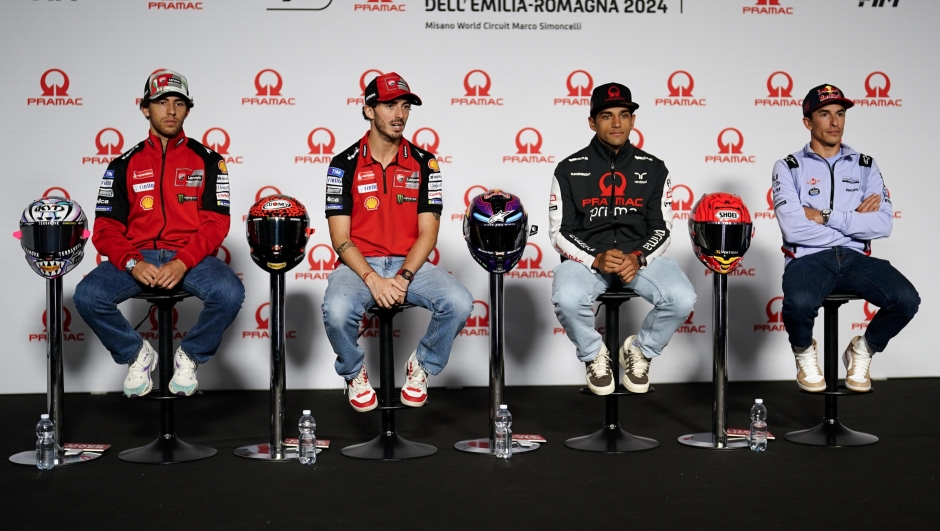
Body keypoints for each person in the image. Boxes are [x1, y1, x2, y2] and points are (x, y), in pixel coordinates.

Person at [75, 70, 244, 398]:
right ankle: (135, 353)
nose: (170, 110)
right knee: (87, 295)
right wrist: (132, 263)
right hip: (139, 257)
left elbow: (215, 223)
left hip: (191, 257)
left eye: (178, 103)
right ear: (145, 108)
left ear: (187, 110)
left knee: (229, 292)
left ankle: (190, 356)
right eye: (162, 102)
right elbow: (105, 228)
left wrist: (182, 262)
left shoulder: (210, 161)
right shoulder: (122, 165)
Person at [321, 72, 473, 412]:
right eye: (389, 105)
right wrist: (373, 279)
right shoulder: (342, 165)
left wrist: (403, 276)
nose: (399, 114)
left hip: (411, 264)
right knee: (337, 309)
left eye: (405, 106)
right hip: (359, 265)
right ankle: (353, 371)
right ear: (368, 110)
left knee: (459, 302)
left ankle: (422, 365)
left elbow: (428, 233)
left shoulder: (425, 163)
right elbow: (340, 239)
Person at [549, 82, 696, 395]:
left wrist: (638, 256)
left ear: (632, 120)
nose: (617, 123)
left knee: (682, 298)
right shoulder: (569, 169)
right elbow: (559, 232)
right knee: (567, 297)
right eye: (606, 116)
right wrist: (595, 258)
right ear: (592, 121)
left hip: (639, 260)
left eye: (624, 115)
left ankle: (641, 351)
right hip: (588, 261)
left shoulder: (654, 168)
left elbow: (663, 227)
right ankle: (594, 354)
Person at [773, 84, 919, 393]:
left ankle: (863, 349)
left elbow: (882, 225)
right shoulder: (789, 167)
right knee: (798, 304)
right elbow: (794, 229)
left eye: (840, 114)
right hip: (807, 259)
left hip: (854, 259)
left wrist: (826, 215)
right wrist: (855, 219)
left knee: (906, 300)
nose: (835, 122)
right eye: (824, 114)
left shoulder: (866, 165)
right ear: (808, 122)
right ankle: (803, 351)